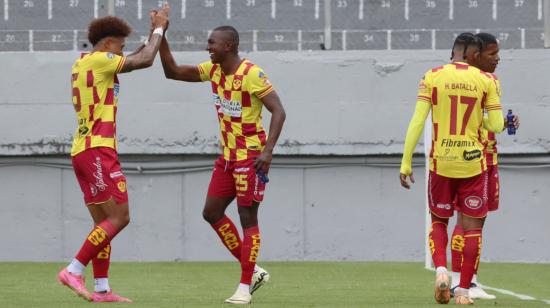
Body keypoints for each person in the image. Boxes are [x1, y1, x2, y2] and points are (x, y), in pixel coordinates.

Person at [159, 25, 286, 304]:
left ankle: (244, 287)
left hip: (251, 158)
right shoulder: (213, 71)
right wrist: (160, 34)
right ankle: (252, 271)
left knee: (247, 218)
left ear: (228, 46)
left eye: (212, 43)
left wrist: (268, 152)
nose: (208, 47)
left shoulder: (252, 73)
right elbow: (173, 72)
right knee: (211, 212)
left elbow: (279, 110)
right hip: (227, 158)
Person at [57, 4, 170, 303]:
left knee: (102, 223)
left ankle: (103, 288)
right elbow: (144, 60)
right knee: (120, 217)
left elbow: (137, 56)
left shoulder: (85, 62)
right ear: (108, 45)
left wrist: (154, 31)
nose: (122, 53)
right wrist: (158, 29)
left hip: (83, 150)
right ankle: (73, 269)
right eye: (119, 47)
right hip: (97, 150)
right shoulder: (101, 60)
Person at [399, 34, 504, 305]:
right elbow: (496, 125)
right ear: (472, 54)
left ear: (454, 51)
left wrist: (406, 162)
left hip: (441, 163)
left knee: (438, 221)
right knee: (472, 229)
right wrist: (478, 118)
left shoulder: (432, 76)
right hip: (472, 164)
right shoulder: (487, 81)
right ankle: (463, 291)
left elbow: (417, 121)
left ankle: (441, 271)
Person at [449, 32, 519, 300]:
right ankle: (462, 281)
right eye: (492, 54)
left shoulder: (473, 81)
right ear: (476, 55)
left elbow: (485, 118)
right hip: (477, 159)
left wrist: (503, 123)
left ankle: (465, 279)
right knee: (470, 220)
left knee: (472, 219)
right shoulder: (482, 80)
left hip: (478, 156)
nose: (498, 58)